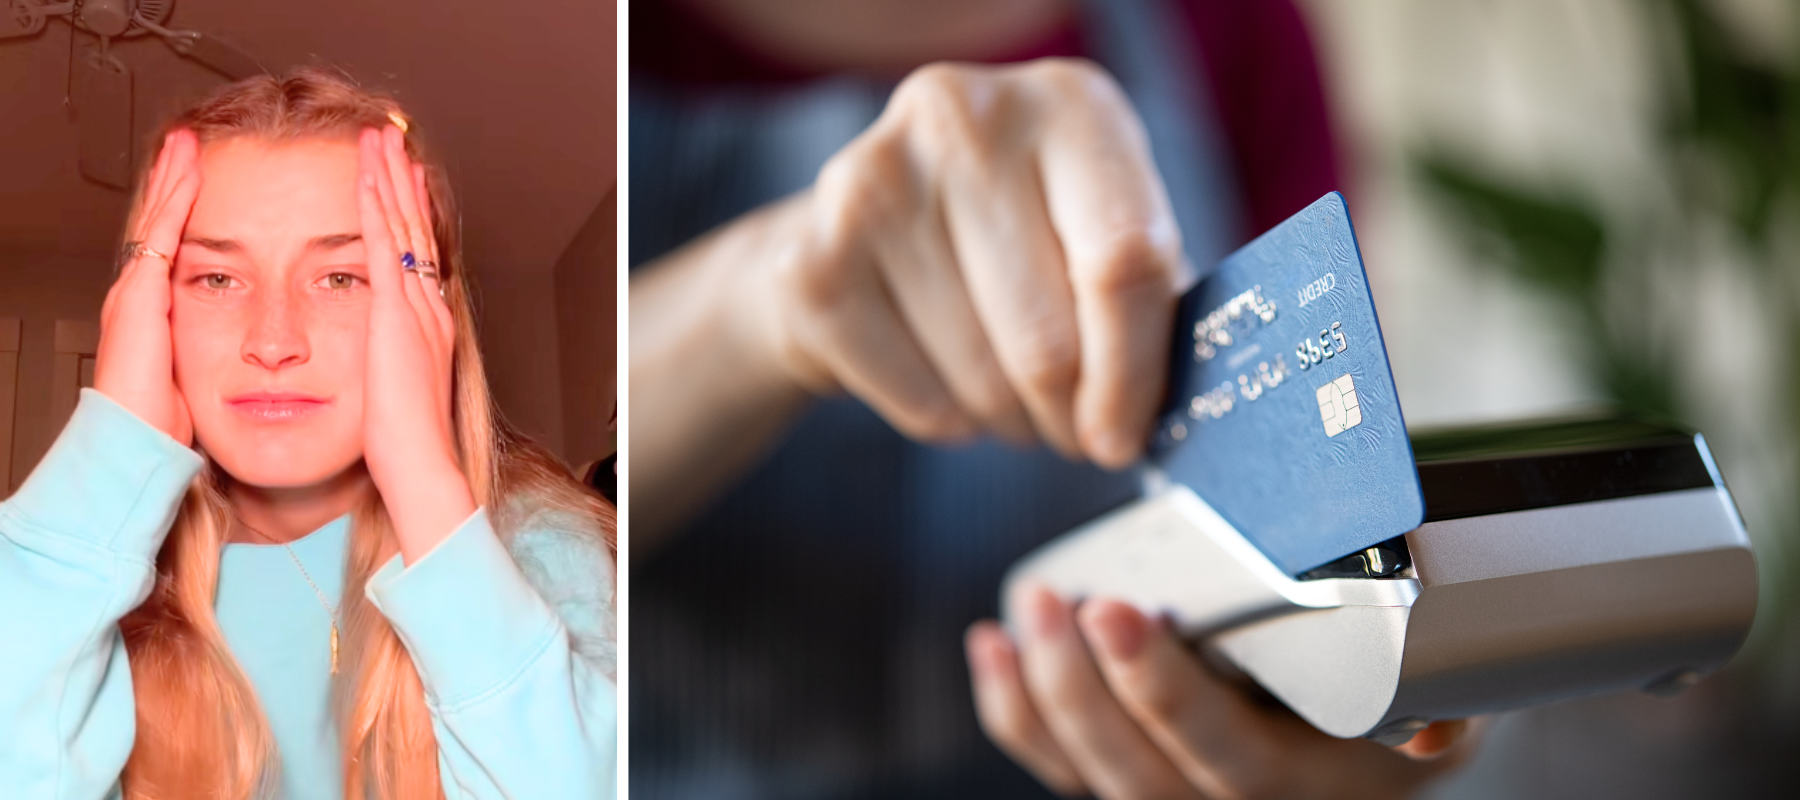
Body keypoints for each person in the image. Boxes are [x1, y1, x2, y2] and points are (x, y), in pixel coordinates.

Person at [630, 1, 1478, 797]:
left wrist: (1354, 740)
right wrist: (757, 303)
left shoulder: (1234, 27)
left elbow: (1350, 533)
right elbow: (501, 503)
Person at [0, 70, 616, 799]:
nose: (273, 340)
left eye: (340, 278)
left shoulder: (545, 547)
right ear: (152, 315)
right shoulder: (90, 582)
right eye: (218, 279)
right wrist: (109, 454)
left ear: (427, 317)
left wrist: (423, 476)